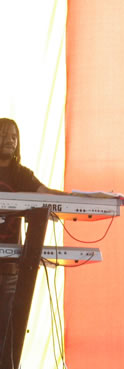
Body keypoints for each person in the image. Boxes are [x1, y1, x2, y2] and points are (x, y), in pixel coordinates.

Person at [0, 118, 66, 353]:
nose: (9, 139)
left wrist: (79, 198)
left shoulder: (21, 174)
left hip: (9, 270)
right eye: (4, 133)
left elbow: (45, 193)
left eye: (14, 136)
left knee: (7, 340)